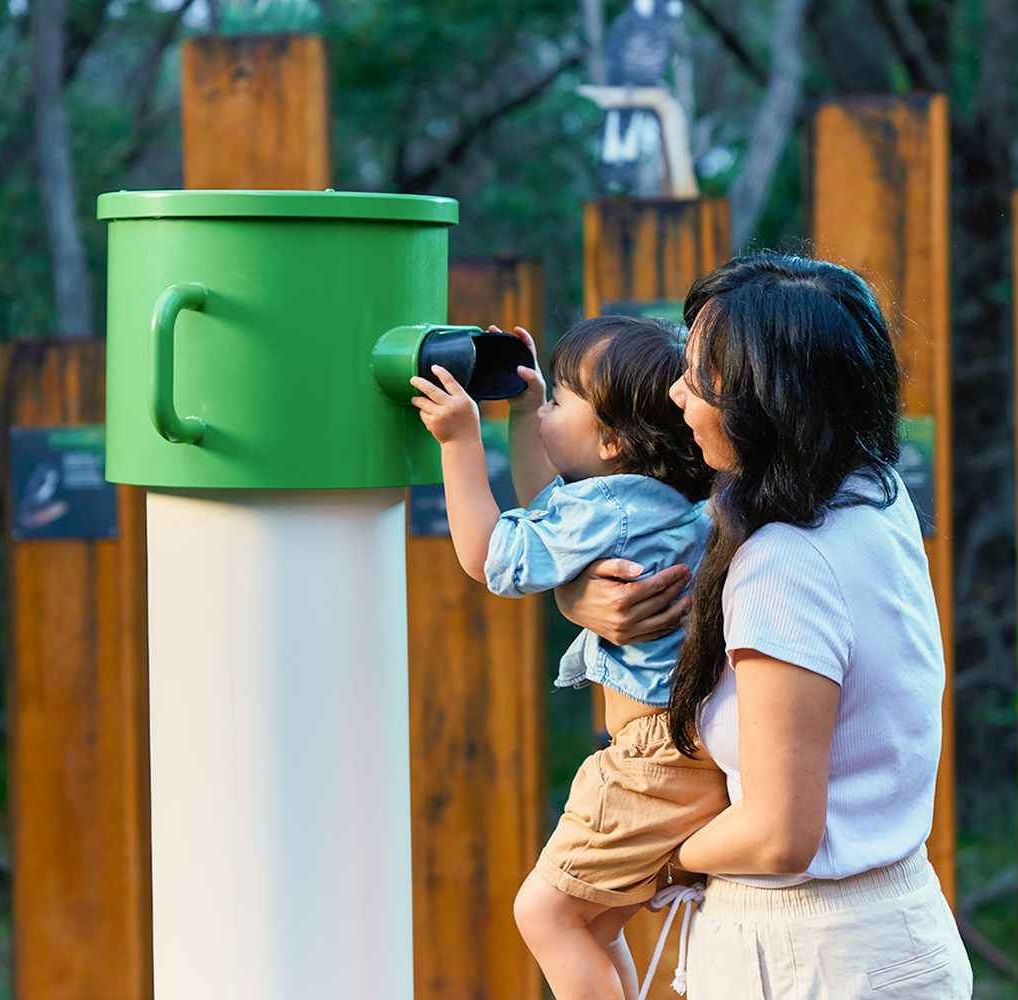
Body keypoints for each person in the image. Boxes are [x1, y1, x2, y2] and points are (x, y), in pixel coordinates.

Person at [565, 254, 973, 999]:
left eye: (698, 376)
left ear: (764, 401)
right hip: (889, 927)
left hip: (808, 953)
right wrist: (580, 601)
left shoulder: (784, 563)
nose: (678, 393)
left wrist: (661, 855)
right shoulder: (872, 497)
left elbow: (781, 833)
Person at [407, 316, 726, 1000]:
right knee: (589, 925)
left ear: (611, 441)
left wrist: (462, 443)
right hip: (683, 749)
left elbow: (493, 556)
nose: (545, 406)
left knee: (544, 913)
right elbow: (549, 510)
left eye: (557, 398)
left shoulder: (611, 510)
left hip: (650, 759)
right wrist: (527, 415)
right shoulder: (641, 500)